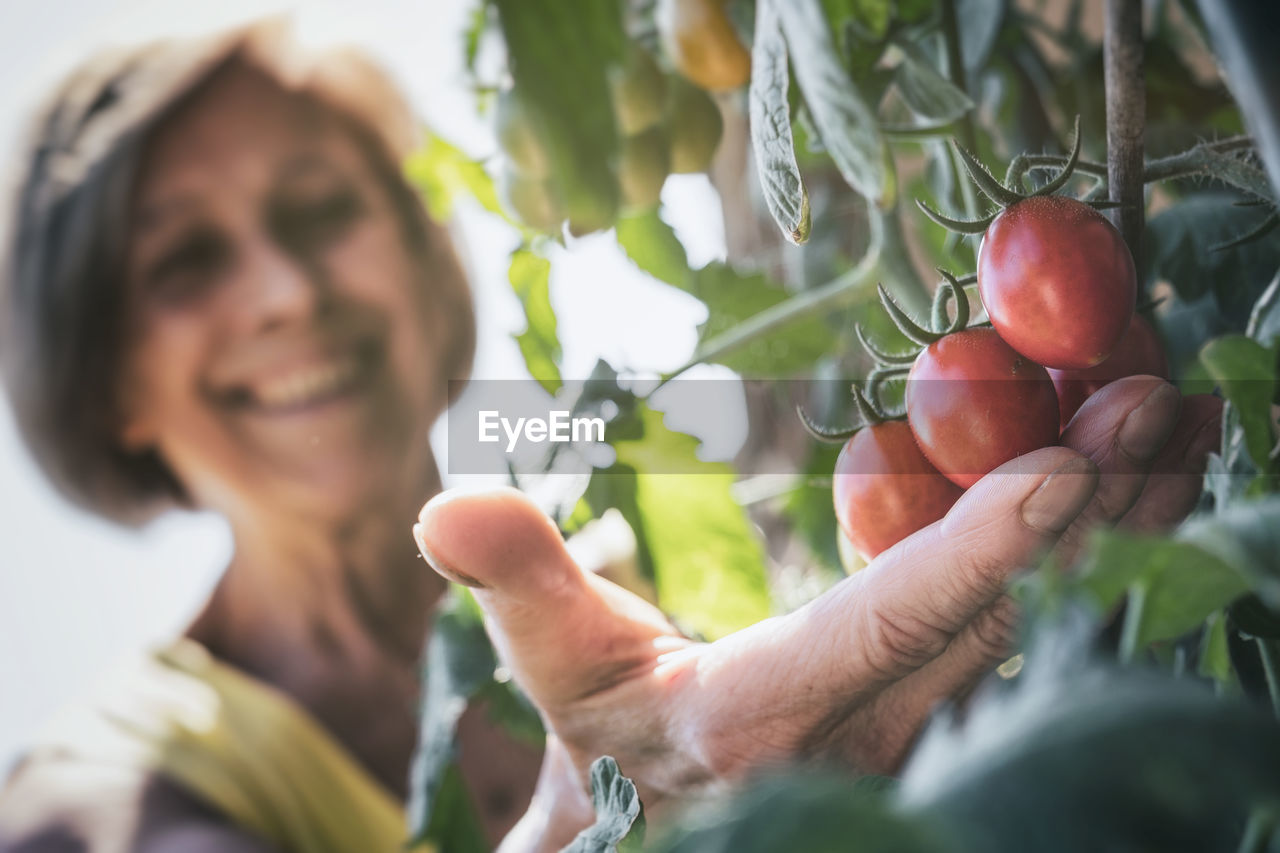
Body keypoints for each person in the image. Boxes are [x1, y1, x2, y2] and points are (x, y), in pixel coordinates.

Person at [0, 19, 1221, 853]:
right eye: (187, 259)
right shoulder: (108, 782)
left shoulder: (636, 589)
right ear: (105, 382)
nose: (283, 291)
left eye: (322, 210)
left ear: (428, 267)